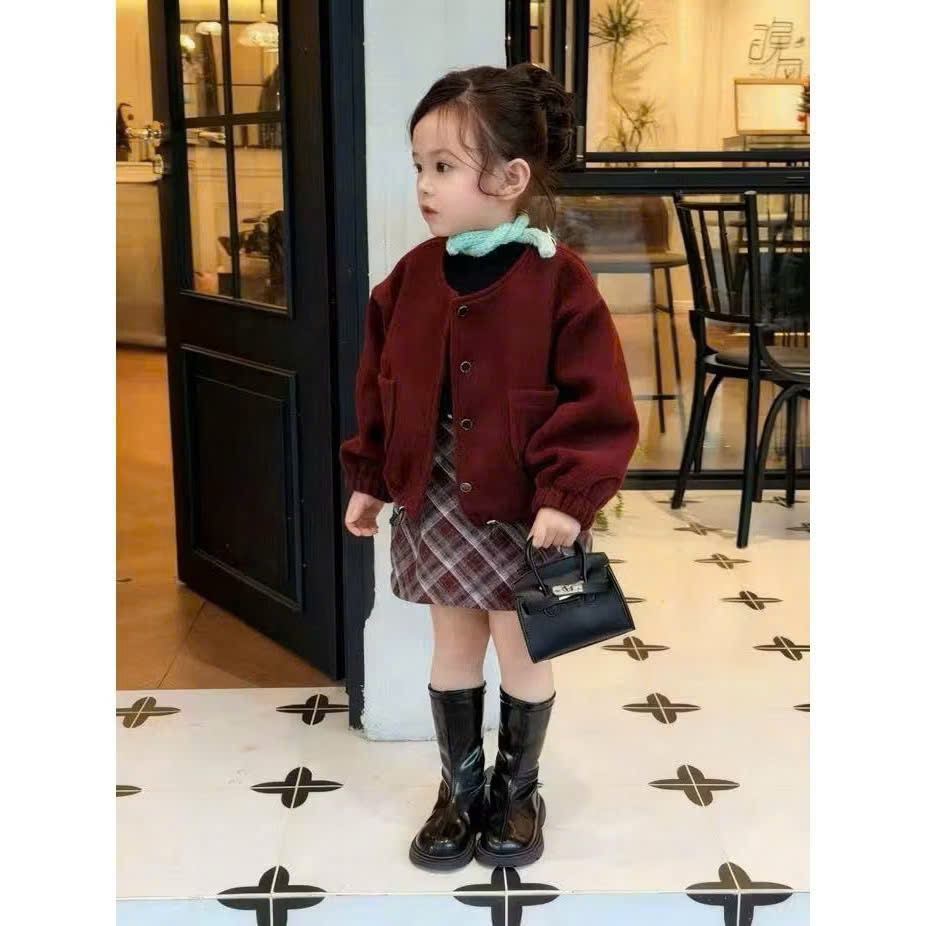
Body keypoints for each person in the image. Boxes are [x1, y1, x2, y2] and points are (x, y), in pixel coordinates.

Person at [340, 63, 639, 871]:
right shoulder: (408, 280)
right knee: (452, 645)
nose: (424, 185)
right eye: (419, 166)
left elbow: (598, 398)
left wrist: (568, 495)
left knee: (521, 649)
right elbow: (380, 386)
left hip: (522, 508)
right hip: (437, 500)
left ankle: (517, 791)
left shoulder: (559, 279)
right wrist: (369, 478)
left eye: (444, 166)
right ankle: (459, 791)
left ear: (509, 179)